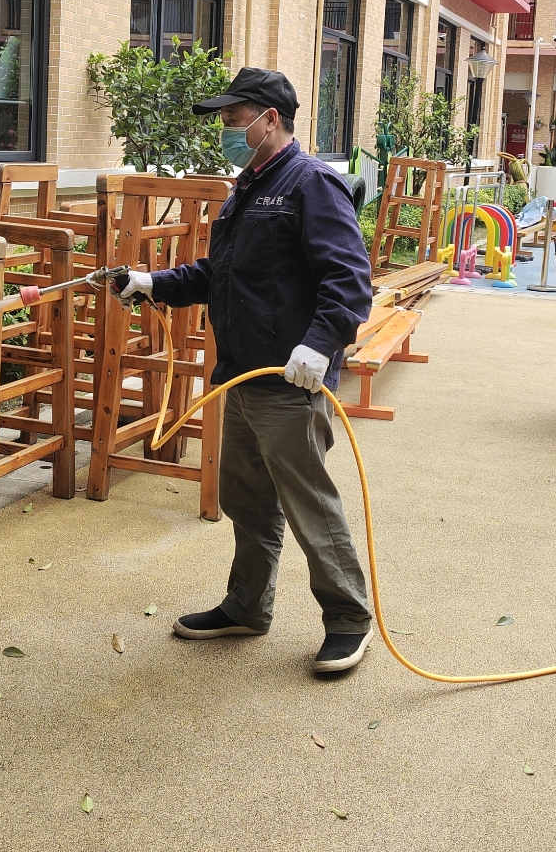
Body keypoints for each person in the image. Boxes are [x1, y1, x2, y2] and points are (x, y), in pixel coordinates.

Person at [117, 67, 376, 674]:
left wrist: (319, 345)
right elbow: (221, 274)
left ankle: (347, 618)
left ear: (270, 118)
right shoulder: (249, 187)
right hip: (241, 374)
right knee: (247, 498)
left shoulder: (310, 184)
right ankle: (246, 606)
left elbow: (349, 279)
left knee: (309, 503)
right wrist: (151, 283)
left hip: (291, 379)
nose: (228, 128)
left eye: (235, 117)